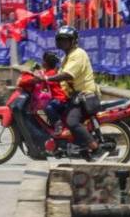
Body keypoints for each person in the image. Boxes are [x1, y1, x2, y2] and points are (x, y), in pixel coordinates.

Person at [34, 26, 102, 157]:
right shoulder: (67, 57)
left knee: (72, 122)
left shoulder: (78, 54)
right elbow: (58, 75)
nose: (62, 43)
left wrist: (47, 78)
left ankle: (95, 148)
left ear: (73, 41)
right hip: (74, 97)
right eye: (60, 40)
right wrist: (41, 76)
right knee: (51, 107)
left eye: (65, 40)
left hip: (85, 97)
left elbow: (67, 75)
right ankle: (64, 140)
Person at [41, 51, 69, 136]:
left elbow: (42, 83)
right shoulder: (49, 72)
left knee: (46, 106)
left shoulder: (51, 74)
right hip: (57, 99)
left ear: (47, 63)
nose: (42, 62)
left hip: (61, 100)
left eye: (43, 61)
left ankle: (58, 124)